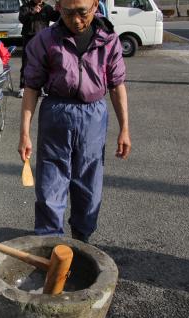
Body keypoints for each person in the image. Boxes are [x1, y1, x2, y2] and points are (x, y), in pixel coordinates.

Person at [18, 0, 132, 243]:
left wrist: (125, 129)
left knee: (89, 182)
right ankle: (51, 245)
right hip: (56, 113)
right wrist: (24, 133)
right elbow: (31, 87)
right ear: (58, 6)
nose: (76, 20)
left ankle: (82, 240)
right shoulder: (45, 40)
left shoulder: (109, 40)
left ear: (95, 5)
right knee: (50, 182)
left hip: (93, 115)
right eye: (68, 13)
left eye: (83, 12)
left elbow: (117, 86)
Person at [17, 0, 60, 98]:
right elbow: (21, 19)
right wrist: (32, 12)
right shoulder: (26, 7)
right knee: (26, 63)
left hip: (43, 38)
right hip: (29, 38)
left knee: (44, 63)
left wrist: (58, 9)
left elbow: (56, 18)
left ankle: (43, 88)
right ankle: (22, 87)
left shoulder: (47, 8)